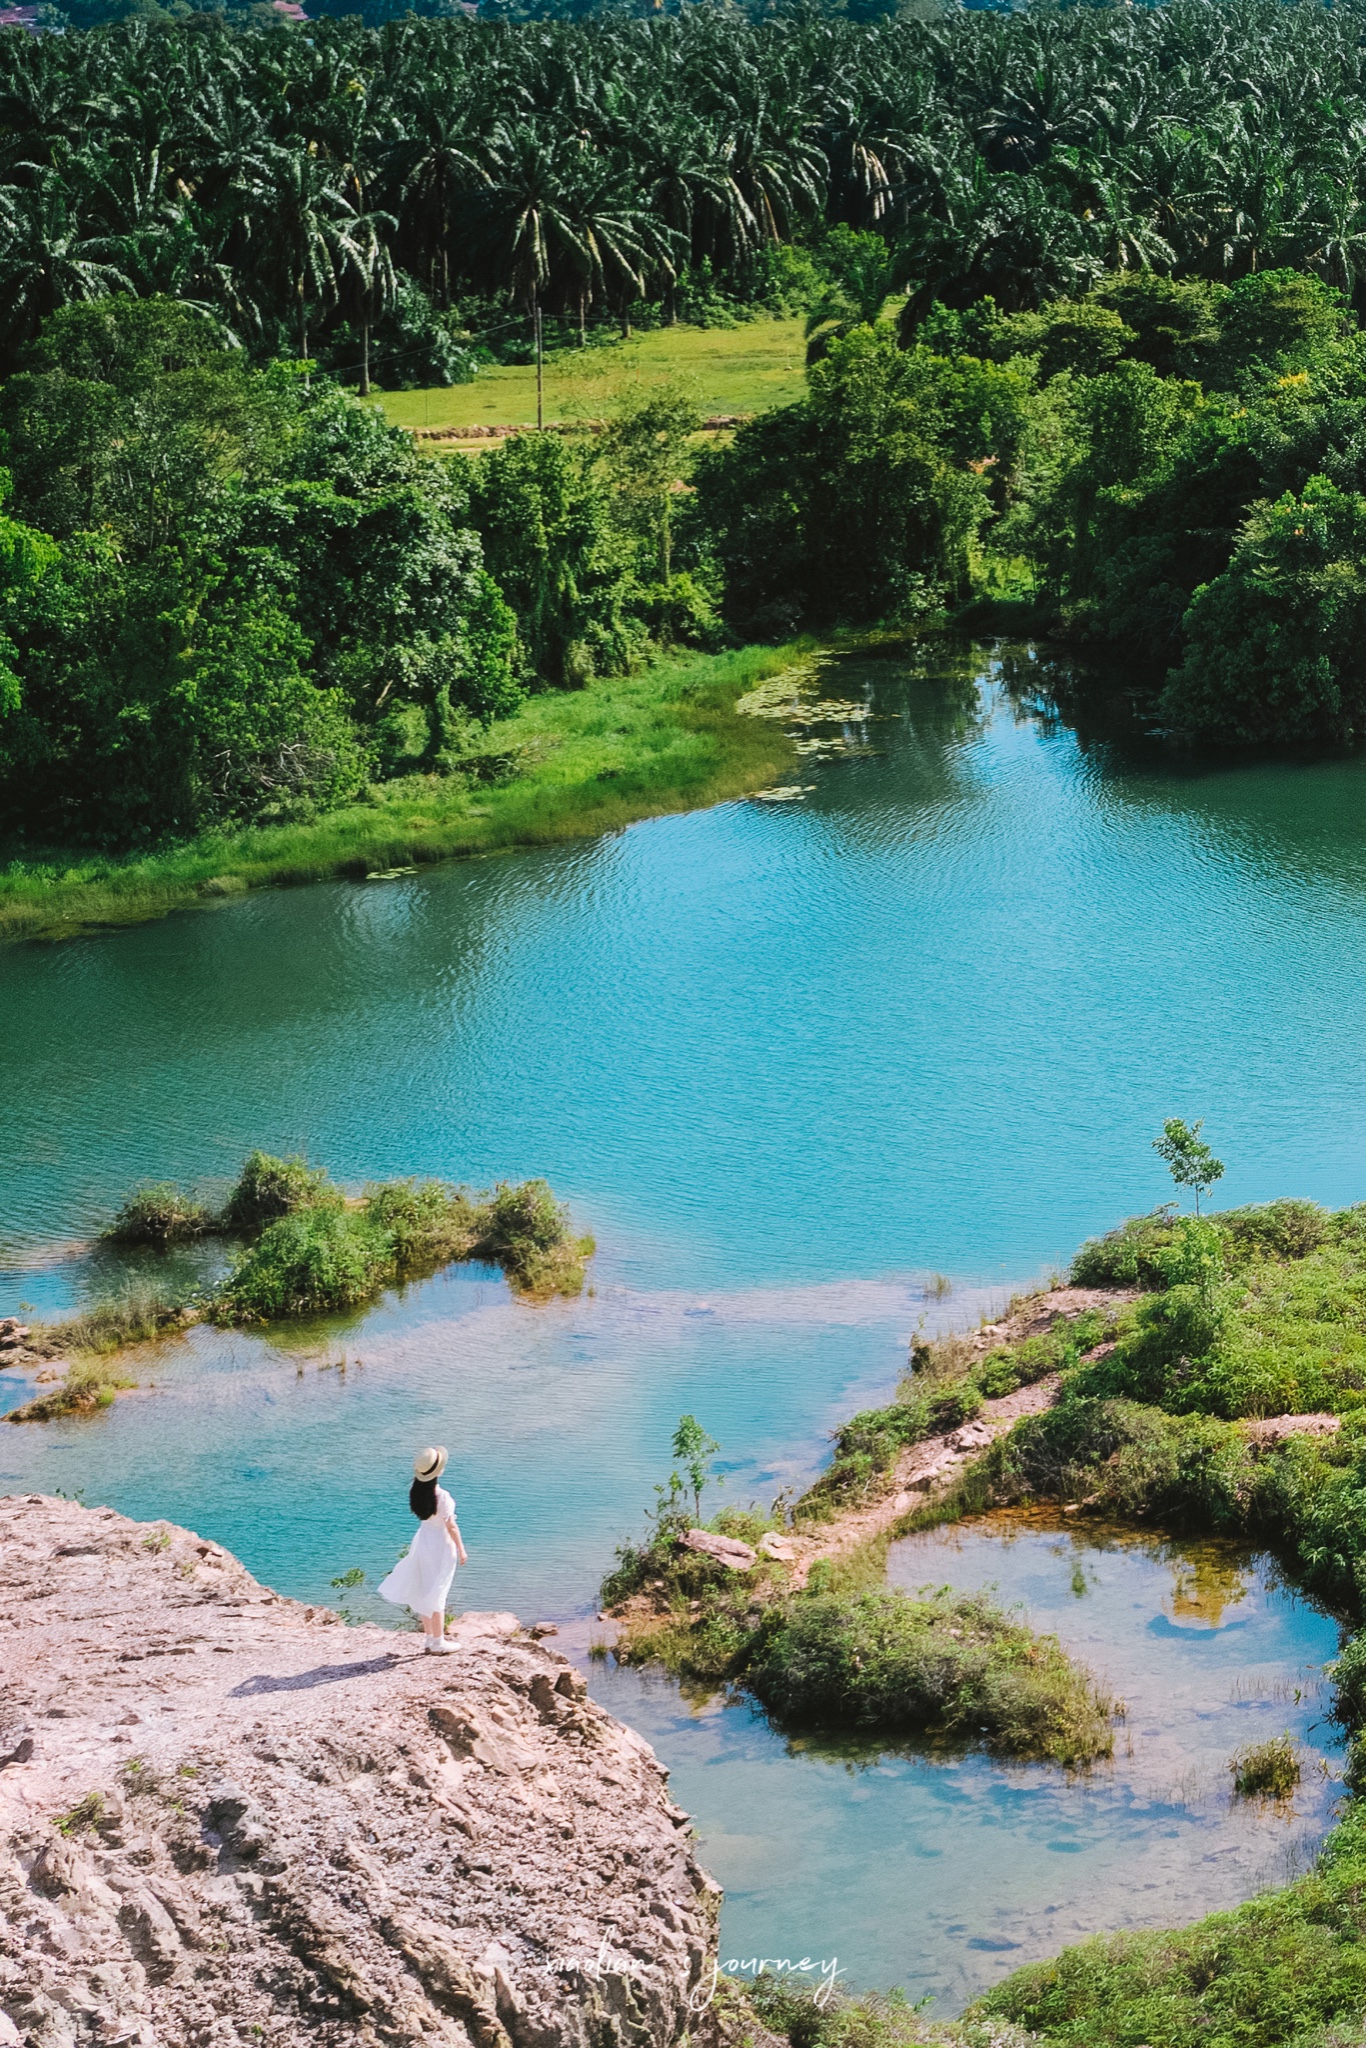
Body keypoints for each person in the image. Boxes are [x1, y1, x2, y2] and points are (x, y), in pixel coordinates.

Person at [377, 1446, 468, 1653]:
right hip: (441, 1545)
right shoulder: (442, 1495)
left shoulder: (416, 1491)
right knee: (438, 1591)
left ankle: (429, 1638)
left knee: (424, 1588)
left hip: (423, 1541)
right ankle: (439, 1642)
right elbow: (451, 1525)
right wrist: (461, 1549)